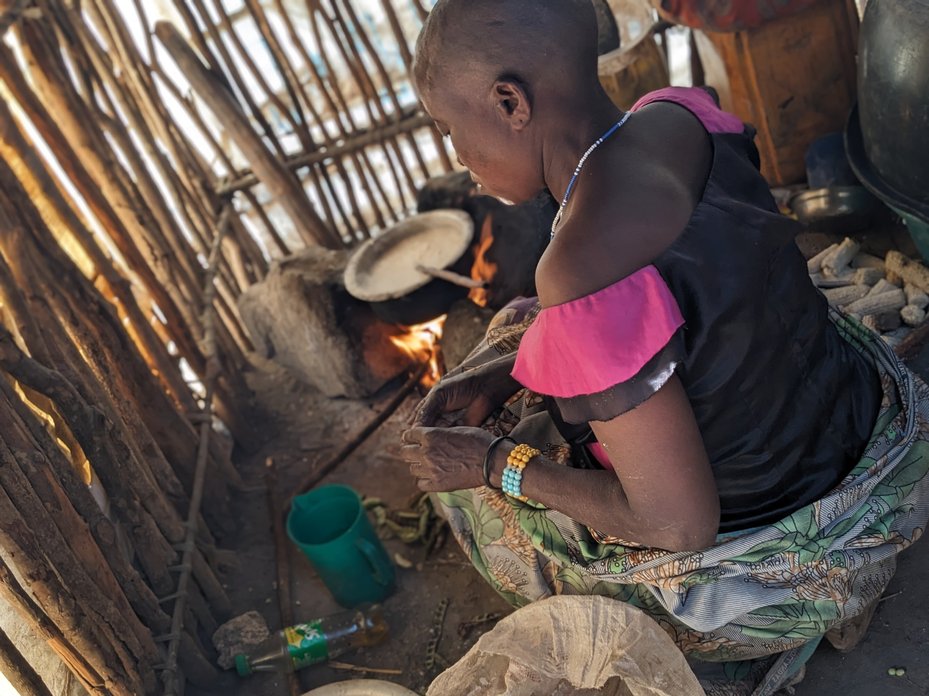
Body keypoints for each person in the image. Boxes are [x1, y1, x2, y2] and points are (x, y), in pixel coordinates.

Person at [400, 1, 929, 693]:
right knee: (523, 334)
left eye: (449, 128)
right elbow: (703, 302)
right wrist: (506, 376)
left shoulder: (580, 272)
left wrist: (495, 464)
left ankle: (750, 641)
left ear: (509, 102)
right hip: (850, 420)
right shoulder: (680, 116)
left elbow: (679, 525)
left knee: (474, 502)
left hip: (777, 529)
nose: (457, 156)